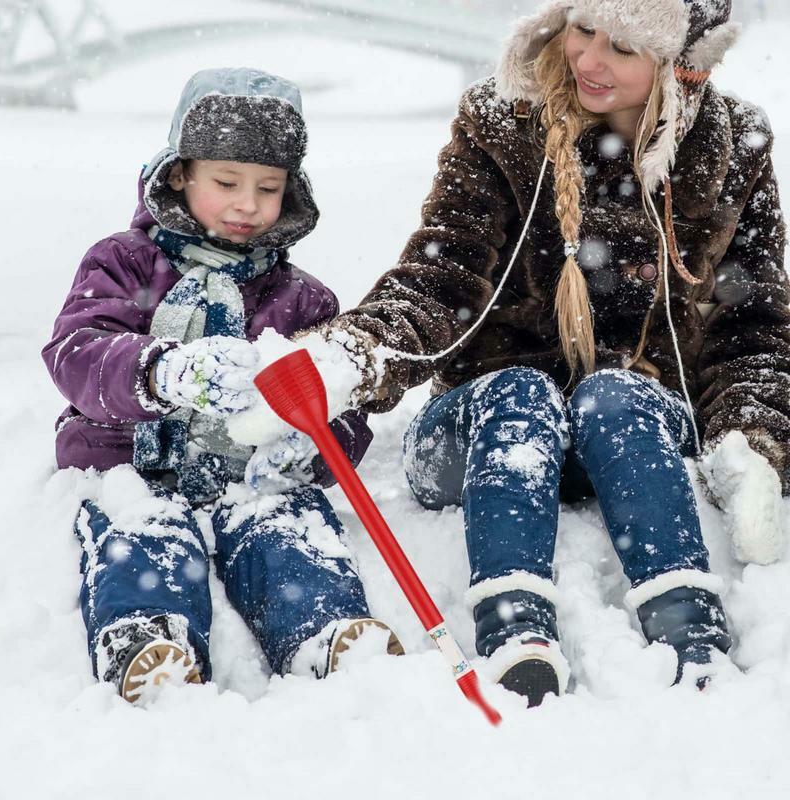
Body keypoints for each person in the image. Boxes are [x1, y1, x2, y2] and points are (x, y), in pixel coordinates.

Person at [244, 0, 790, 706]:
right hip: (482, 432)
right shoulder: (505, 123)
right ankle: (516, 629)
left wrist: (755, 440)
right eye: (583, 29)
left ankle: (691, 631)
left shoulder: (734, 144)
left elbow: (752, 323)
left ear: (679, 66)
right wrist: (351, 356)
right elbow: (441, 280)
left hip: (634, 436)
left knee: (614, 394)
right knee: (521, 391)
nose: (588, 60)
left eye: (622, 48)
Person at [43, 68, 403, 705]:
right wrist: (160, 371)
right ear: (180, 173)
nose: (247, 205)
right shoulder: (123, 263)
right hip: (130, 462)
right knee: (143, 529)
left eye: (268, 188)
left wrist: (314, 443)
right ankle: (149, 635)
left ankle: (324, 630)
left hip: (250, 476)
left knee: (286, 527)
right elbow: (78, 351)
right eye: (227, 183)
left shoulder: (302, 300)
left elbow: (342, 406)